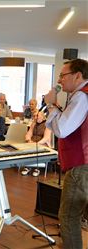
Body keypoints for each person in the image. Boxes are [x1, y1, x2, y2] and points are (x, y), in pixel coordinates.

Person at [43, 58, 88, 249]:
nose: (60, 80)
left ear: (77, 75)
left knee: (69, 216)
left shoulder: (81, 97)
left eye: (63, 75)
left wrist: (52, 106)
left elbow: (61, 129)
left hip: (81, 165)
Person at [21, 111, 52, 177]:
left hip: (43, 143)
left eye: (37, 116)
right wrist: (29, 140)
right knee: (27, 146)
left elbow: (46, 138)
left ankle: (37, 168)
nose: (35, 118)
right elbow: (29, 133)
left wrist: (37, 143)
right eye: (34, 116)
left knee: (37, 148)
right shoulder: (34, 123)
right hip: (33, 142)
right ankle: (28, 166)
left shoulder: (47, 124)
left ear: (43, 116)